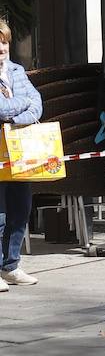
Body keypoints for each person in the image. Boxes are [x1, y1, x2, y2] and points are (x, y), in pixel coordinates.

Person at [0, 18, 42, 290]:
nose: (1, 48)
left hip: (20, 148)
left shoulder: (17, 70)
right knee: (0, 213)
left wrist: (17, 116)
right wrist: (21, 105)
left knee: (21, 208)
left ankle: (11, 265)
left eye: (4, 43)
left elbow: (37, 103)